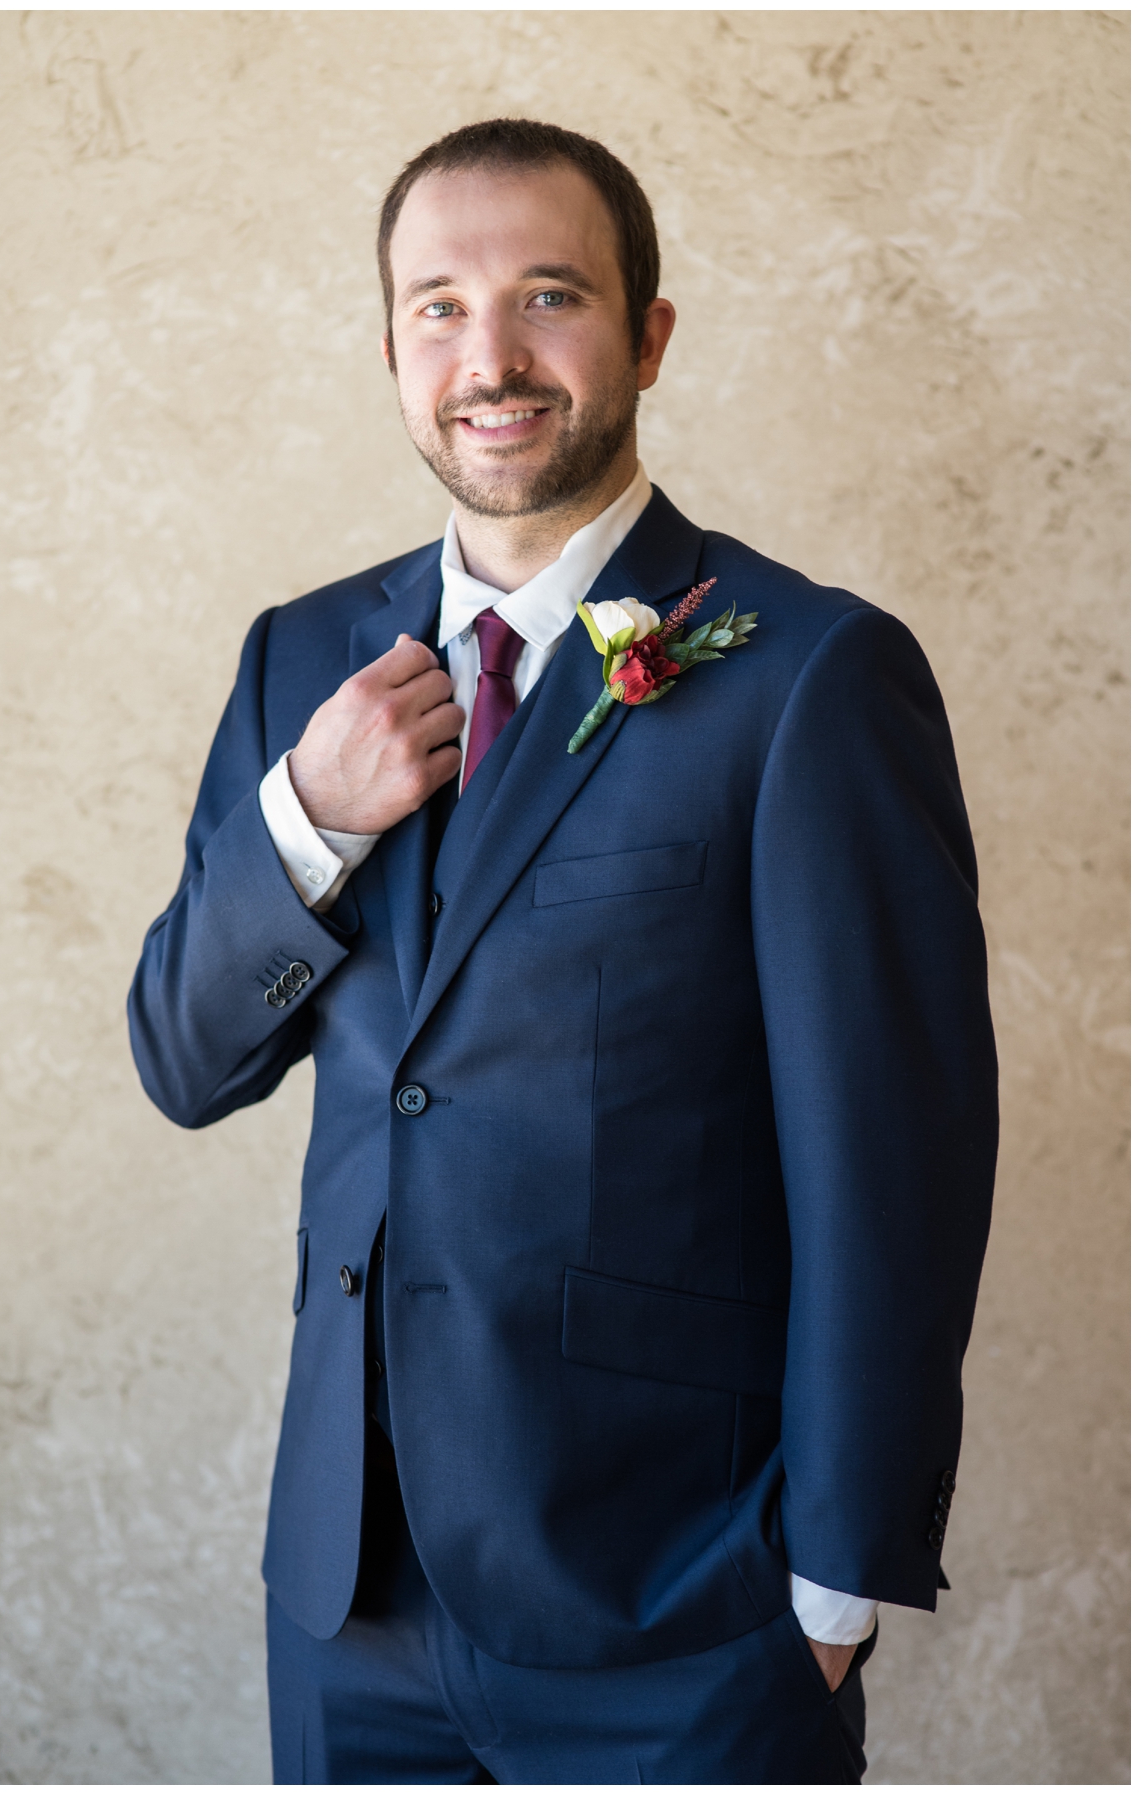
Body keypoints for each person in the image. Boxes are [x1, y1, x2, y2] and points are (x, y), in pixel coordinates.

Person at [126, 120, 993, 1783]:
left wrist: (834, 1578)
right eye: (438, 309)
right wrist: (307, 816)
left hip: (682, 1600)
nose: (491, 358)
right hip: (349, 1596)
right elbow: (183, 1059)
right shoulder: (303, 655)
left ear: (649, 335)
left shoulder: (809, 673)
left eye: (547, 297)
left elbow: (900, 1156)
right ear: (389, 349)